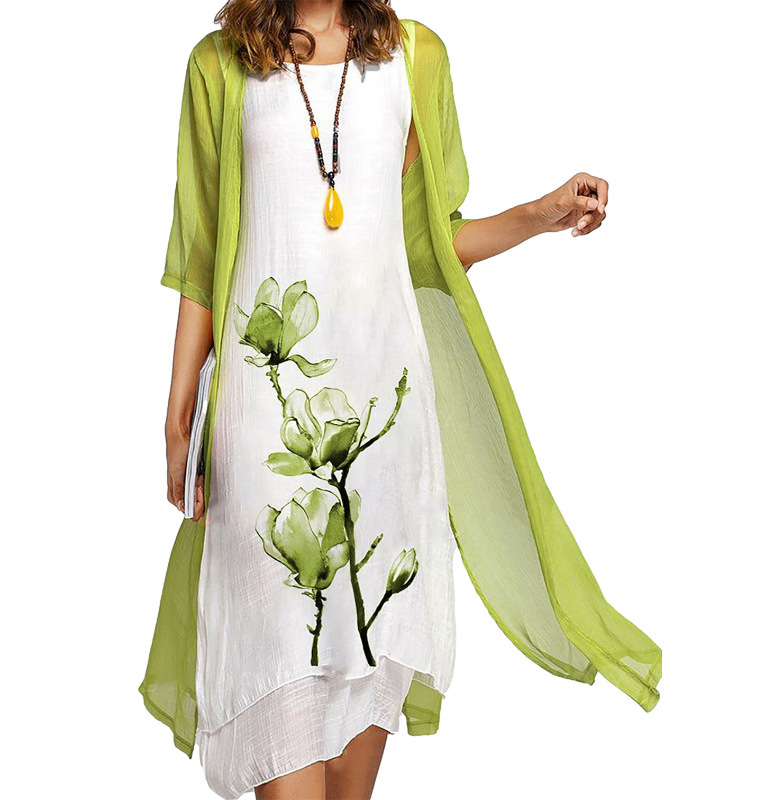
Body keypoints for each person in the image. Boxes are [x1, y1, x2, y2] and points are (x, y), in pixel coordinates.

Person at [140, 2, 661, 799]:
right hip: (266, 430)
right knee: (276, 675)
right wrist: (179, 418)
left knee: (355, 733)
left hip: (385, 429)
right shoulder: (220, 64)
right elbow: (203, 253)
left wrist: (539, 215)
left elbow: (427, 244)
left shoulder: (415, 57)